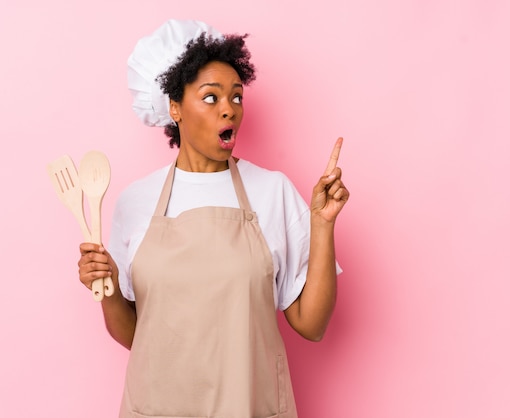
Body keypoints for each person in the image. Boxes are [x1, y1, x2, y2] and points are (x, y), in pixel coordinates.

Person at [76, 19, 349, 418]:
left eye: (237, 97)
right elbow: (136, 335)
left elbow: (312, 325)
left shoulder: (272, 191)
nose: (229, 109)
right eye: (210, 97)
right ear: (174, 108)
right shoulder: (134, 202)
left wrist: (323, 225)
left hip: (248, 407)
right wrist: (109, 287)